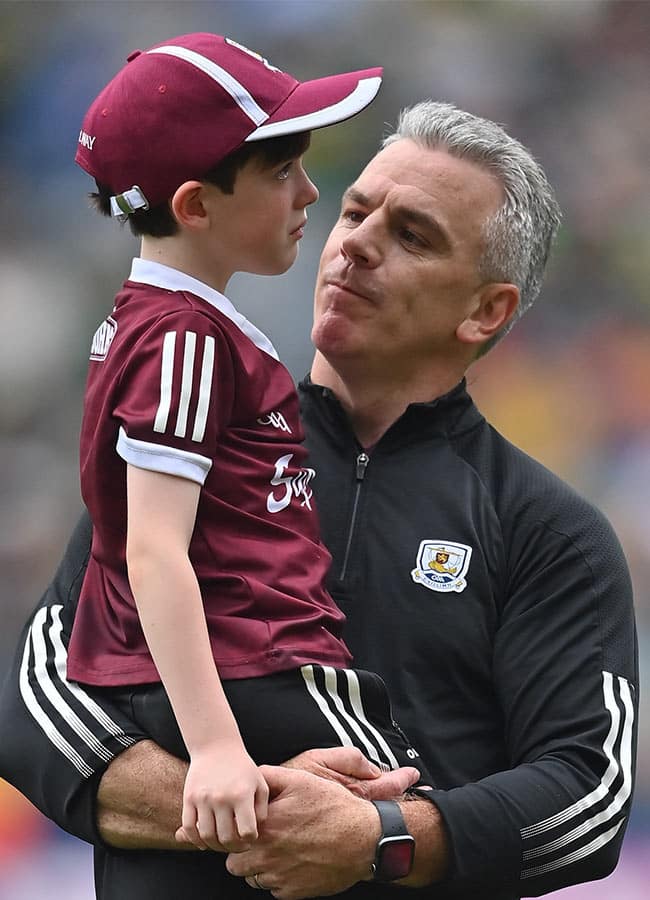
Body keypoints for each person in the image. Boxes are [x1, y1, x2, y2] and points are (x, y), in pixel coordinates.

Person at [0, 100, 638, 900]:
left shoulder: (549, 533)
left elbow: (588, 797)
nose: (355, 245)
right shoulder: (187, 440)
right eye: (355, 211)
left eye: (411, 235)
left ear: (486, 311)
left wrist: (382, 839)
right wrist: (244, 808)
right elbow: (35, 701)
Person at [31, 30, 437, 898]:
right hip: (255, 671)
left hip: (243, 681)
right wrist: (216, 748)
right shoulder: (184, 339)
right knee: (417, 827)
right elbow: (153, 551)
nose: (310, 191)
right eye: (280, 170)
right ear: (194, 205)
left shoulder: (169, 324)